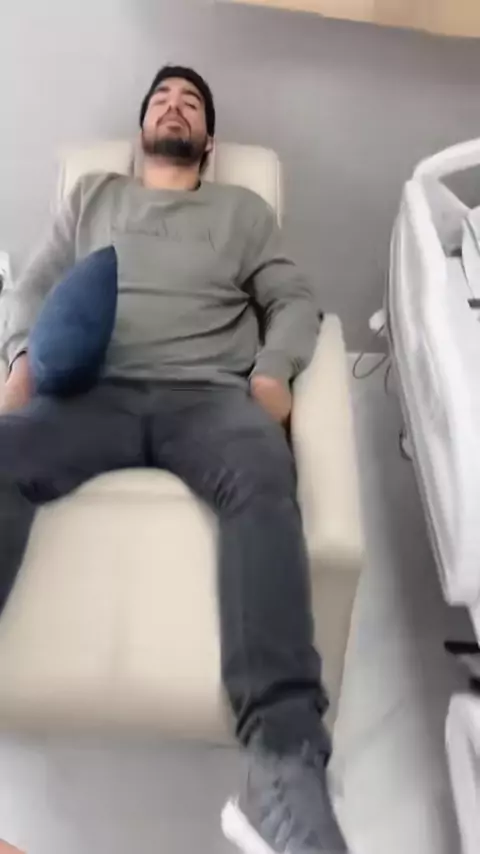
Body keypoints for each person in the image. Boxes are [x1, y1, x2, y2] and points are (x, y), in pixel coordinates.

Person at [0, 66, 348, 854]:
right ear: (141, 133)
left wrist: (273, 373)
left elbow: (292, 298)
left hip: (207, 397)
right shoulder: (93, 198)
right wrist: (20, 358)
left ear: (208, 142)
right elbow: (35, 286)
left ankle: (281, 767)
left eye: (190, 102)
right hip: (94, 394)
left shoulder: (242, 212)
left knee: (264, 473)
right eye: (162, 98)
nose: (174, 106)